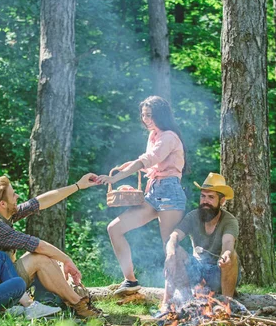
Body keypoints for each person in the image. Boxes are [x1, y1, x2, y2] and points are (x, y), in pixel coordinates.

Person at [0, 174, 104, 318]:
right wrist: (67, 260)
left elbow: (39, 202)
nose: (17, 196)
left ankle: (66, 301)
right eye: (13, 195)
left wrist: (78, 185)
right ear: (3, 204)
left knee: (51, 258)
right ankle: (80, 306)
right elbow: (37, 245)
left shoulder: (4, 214)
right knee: (39, 258)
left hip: (5, 281)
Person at [96, 96, 187, 295]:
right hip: (153, 190)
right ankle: (130, 281)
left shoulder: (169, 136)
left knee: (170, 245)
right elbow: (149, 164)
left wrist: (117, 177)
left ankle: (181, 290)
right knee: (115, 228)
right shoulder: (153, 135)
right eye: (144, 115)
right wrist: (126, 167)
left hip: (170, 191)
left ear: (160, 115)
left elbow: (148, 160)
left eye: (150, 115)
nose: (146, 119)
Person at [162, 172, 239, 311]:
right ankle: (168, 304)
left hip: (218, 272)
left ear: (221, 201)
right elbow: (174, 236)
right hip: (196, 270)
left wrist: (226, 254)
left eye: (211, 197)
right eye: (203, 196)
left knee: (233, 255)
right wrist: (171, 254)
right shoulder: (193, 216)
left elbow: (228, 243)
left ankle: (226, 306)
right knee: (175, 250)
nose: (205, 201)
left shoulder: (229, 220)